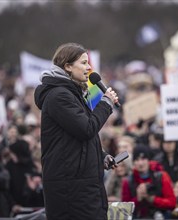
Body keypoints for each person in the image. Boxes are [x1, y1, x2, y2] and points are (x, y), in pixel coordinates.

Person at [34, 42, 119, 220]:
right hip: (71, 191)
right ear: (67, 66)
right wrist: (106, 104)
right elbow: (86, 129)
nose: (89, 67)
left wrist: (101, 156)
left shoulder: (71, 93)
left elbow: (75, 139)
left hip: (80, 186)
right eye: (83, 62)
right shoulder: (59, 96)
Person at [121, 145, 176, 219]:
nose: (140, 163)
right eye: (137, 160)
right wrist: (138, 199)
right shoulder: (128, 181)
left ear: (149, 160)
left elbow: (172, 203)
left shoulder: (161, 176)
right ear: (133, 163)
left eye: (143, 159)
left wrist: (152, 199)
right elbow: (124, 209)